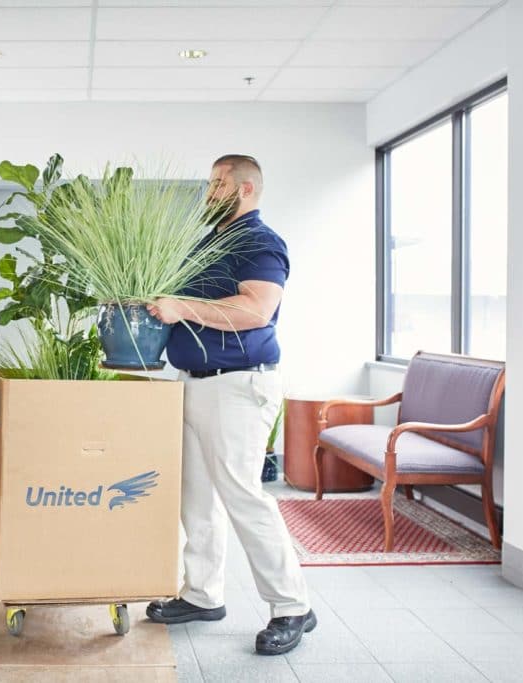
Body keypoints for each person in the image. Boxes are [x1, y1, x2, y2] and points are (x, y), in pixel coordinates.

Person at [145, 154, 316, 655]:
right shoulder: (209, 242)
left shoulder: (260, 242)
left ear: (244, 189)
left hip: (238, 386)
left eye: (218, 183)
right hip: (194, 382)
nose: (209, 191)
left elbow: (256, 310)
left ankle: (292, 607)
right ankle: (202, 595)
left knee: (243, 496)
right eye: (209, 182)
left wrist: (180, 308)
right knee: (195, 496)